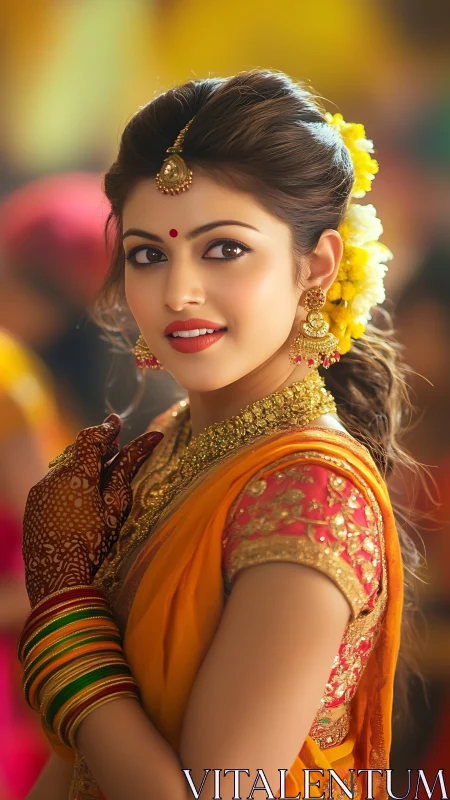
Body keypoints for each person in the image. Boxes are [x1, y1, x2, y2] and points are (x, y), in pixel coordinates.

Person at [19, 70, 420, 800]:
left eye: (224, 249)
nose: (178, 293)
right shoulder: (174, 440)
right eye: (148, 254)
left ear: (316, 266)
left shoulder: (312, 496)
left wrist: (65, 611)